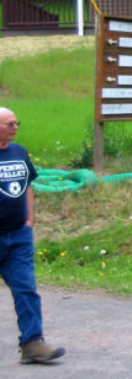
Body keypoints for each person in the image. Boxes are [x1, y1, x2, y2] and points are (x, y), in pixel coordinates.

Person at [0, 107, 65, 365]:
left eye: (16, 123)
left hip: (18, 236)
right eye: (9, 124)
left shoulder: (19, 152)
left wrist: (30, 219)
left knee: (26, 289)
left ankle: (32, 344)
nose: (15, 127)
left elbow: (28, 185)